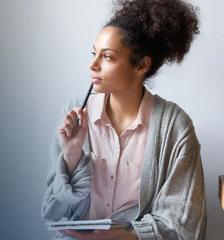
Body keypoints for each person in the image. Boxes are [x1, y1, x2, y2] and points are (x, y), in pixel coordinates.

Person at [41, 0, 206, 239]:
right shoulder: (75, 114)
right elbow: (54, 212)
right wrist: (71, 155)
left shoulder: (175, 127)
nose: (93, 64)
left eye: (107, 57)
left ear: (141, 65)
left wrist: (124, 236)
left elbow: (184, 223)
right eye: (93, 53)